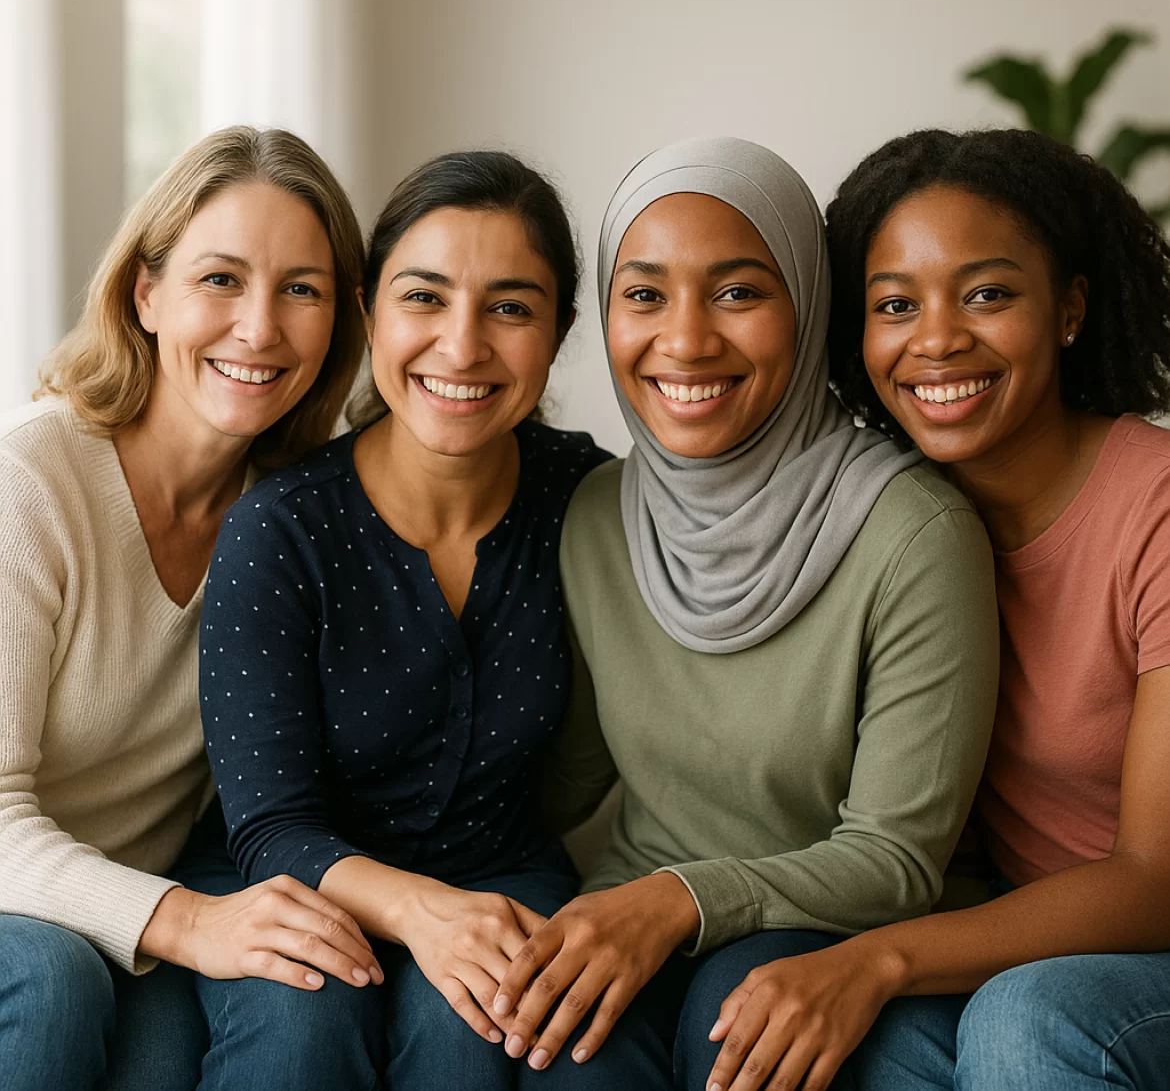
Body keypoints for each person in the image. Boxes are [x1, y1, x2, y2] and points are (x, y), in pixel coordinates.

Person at [488, 136, 1001, 1091]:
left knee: (740, 1027)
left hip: (829, 925)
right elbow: (563, 782)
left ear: (810, 308)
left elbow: (895, 860)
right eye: (644, 294)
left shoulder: (914, 532)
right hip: (635, 914)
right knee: (556, 1055)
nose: (684, 341)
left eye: (738, 293)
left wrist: (681, 901)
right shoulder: (598, 516)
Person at [708, 127, 1170, 1091]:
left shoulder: (1155, 507)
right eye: (893, 304)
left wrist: (882, 959)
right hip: (1038, 945)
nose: (937, 338)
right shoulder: (895, 522)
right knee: (839, 1044)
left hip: (1130, 950)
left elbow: (1154, 880)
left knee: (1022, 1015)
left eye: (988, 293)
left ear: (1070, 310)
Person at [200, 151, 669, 1088]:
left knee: (560, 1046)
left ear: (561, 332)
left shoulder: (587, 497)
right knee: (301, 1037)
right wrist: (422, 914)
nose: (462, 347)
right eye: (425, 298)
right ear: (369, 308)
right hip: (298, 880)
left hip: (507, 873)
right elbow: (270, 823)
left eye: (510, 307)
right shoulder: (280, 528)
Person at [0, 125, 377, 1091]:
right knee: (50, 981)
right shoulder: (33, 482)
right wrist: (192, 923)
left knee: (185, 1043)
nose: (259, 327)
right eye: (220, 279)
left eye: (303, 288)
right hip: (42, 912)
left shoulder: (299, 517)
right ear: (146, 293)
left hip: (127, 912)